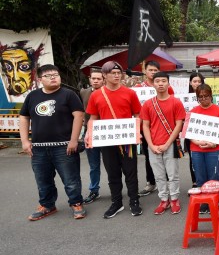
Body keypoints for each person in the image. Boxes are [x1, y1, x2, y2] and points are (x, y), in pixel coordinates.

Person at [19, 64, 86, 220]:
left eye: (56, 74)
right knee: (43, 179)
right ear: (39, 79)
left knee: (71, 178)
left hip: (64, 146)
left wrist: (73, 140)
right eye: (48, 75)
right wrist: (25, 141)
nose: (53, 77)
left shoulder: (68, 95)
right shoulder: (32, 96)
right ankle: (47, 205)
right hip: (39, 148)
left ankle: (76, 203)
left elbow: (79, 116)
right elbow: (24, 117)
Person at [86, 61, 143, 218]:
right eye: (113, 73)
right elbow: (93, 117)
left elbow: (138, 115)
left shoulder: (130, 93)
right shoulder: (96, 95)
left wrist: (138, 131)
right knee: (112, 173)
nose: (117, 75)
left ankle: (134, 201)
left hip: (127, 140)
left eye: (119, 73)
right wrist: (88, 133)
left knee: (131, 172)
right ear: (104, 75)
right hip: (107, 140)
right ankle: (116, 202)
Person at [140, 72, 186, 215]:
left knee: (173, 175)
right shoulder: (148, 104)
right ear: (153, 84)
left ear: (168, 83)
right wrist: (151, 145)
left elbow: (179, 125)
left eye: (163, 81)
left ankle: (174, 199)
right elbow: (145, 126)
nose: (160, 83)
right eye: (157, 81)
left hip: (170, 144)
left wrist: (167, 143)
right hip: (153, 145)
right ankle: (163, 199)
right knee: (158, 175)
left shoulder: (176, 102)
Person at [137, 60, 174, 197]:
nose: (153, 73)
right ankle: (151, 182)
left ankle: (167, 183)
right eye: (150, 70)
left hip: (164, 128)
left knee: (167, 157)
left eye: (155, 70)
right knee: (149, 155)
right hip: (146, 128)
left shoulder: (166, 87)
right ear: (145, 71)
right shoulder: (139, 87)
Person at [188, 84, 219, 213]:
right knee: (200, 176)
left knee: (213, 175)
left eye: (206, 96)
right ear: (197, 98)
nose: (204, 99)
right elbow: (189, 132)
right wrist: (197, 142)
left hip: (214, 149)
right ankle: (204, 202)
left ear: (211, 96)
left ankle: (214, 201)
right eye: (200, 97)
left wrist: (213, 144)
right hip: (197, 149)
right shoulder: (193, 111)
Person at [80, 68, 104, 204]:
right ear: (89, 79)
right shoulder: (84, 92)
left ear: (103, 79)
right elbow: (82, 112)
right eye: (93, 78)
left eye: (98, 79)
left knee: (111, 164)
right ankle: (94, 190)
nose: (95, 81)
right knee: (93, 165)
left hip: (107, 132)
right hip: (89, 131)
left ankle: (116, 189)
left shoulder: (108, 93)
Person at [186, 72, 204, 187]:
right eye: (194, 81)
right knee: (193, 158)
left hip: (203, 129)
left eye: (199, 81)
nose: (197, 84)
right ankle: (195, 181)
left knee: (204, 156)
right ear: (190, 83)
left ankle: (206, 181)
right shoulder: (184, 97)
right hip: (190, 130)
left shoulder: (206, 94)